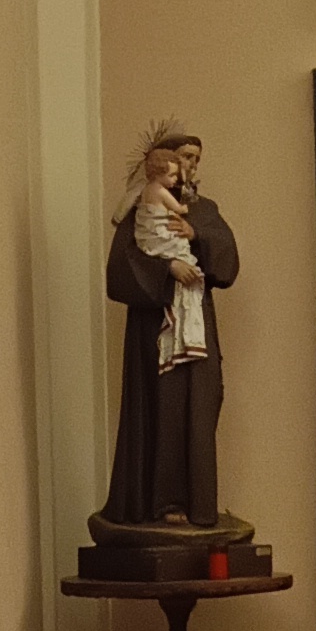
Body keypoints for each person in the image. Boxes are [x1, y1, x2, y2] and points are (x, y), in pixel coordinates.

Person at [102, 124, 238, 529]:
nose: (192, 165)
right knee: (162, 409)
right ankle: (159, 505)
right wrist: (167, 269)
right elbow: (119, 271)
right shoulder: (140, 208)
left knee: (202, 405)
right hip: (155, 329)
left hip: (196, 325)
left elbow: (228, 260)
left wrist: (197, 236)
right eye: (185, 157)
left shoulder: (204, 210)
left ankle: (198, 504)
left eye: (197, 159)